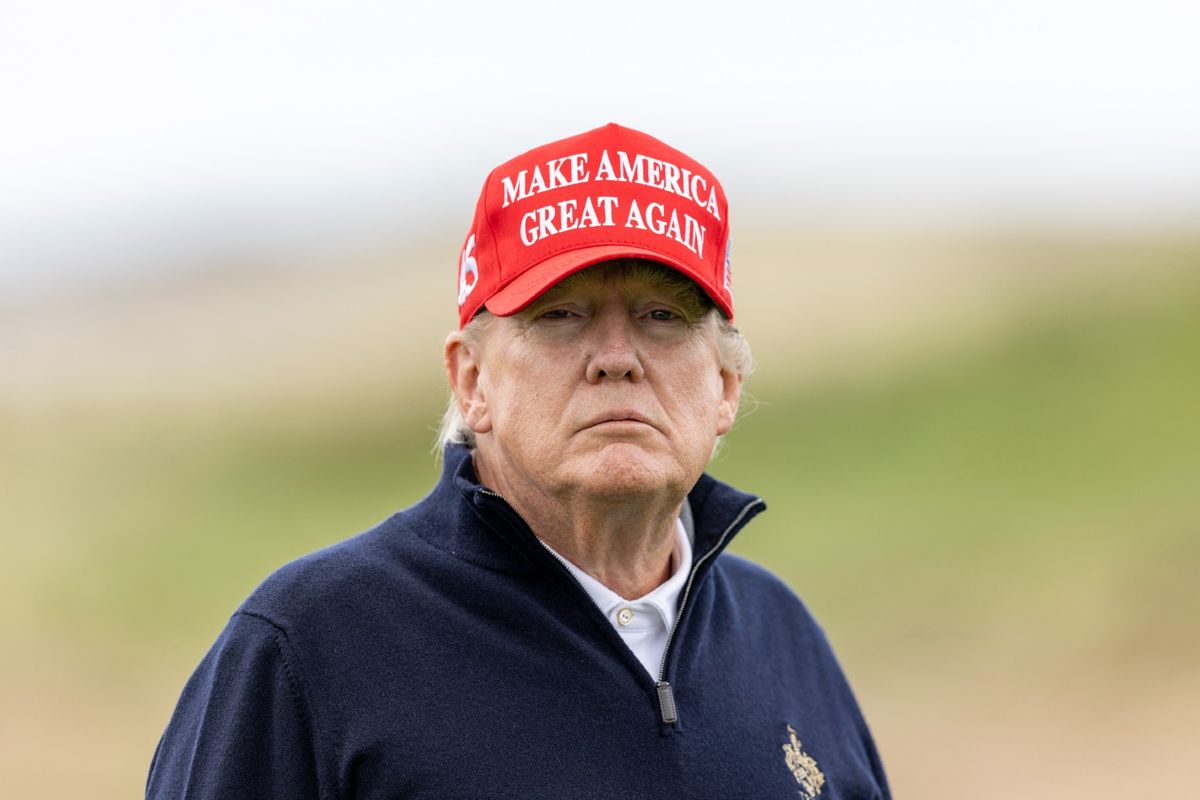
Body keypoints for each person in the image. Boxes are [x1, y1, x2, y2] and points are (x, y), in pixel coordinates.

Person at [146, 123, 891, 800]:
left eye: (662, 315)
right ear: (472, 380)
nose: (615, 359)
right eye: (560, 315)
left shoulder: (780, 634)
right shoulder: (311, 646)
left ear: (725, 386)